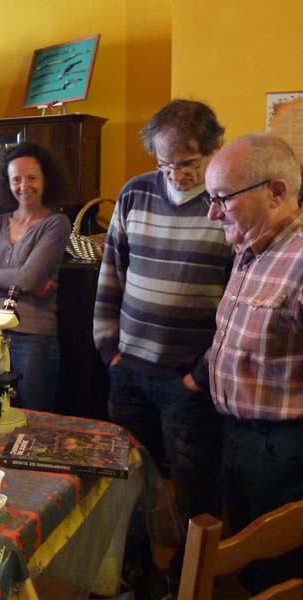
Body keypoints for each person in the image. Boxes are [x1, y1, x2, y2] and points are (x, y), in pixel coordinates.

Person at [93, 99, 233, 529]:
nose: (175, 174)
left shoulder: (227, 202)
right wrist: (109, 349)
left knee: (195, 490)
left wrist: (201, 374)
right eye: (164, 163)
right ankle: (135, 561)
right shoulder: (135, 193)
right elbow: (111, 273)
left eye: (187, 163)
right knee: (128, 483)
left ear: (212, 149)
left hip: (187, 378)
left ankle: (189, 567)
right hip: (129, 369)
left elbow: (236, 300)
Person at [204, 133, 303, 592]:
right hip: (240, 436)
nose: (212, 213)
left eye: (222, 198)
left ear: (276, 192)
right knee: (246, 559)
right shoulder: (251, 252)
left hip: (284, 451)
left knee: (279, 573)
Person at [0, 142, 70, 412]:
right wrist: (24, 284)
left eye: (32, 177)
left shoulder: (56, 224)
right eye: (16, 179)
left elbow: (24, 278)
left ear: (45, 179)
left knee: (35, 418)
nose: (24, 186)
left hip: (33, 337)